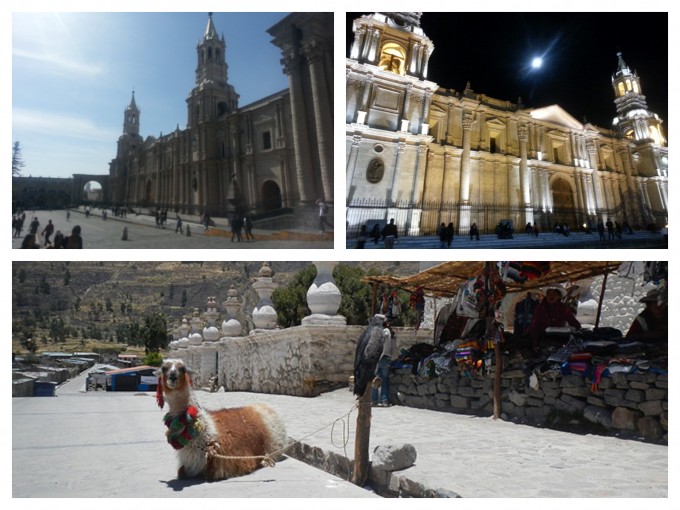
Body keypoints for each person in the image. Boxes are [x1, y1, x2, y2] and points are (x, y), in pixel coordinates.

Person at [372, 320, 397, 407]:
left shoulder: (379, 332)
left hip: (378, 358)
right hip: (387, 358)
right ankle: (384, 400)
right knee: (385, 380)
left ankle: (374, 400)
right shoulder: (391, 333)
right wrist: (393, 358)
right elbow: (393, 347)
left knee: (375, 379)